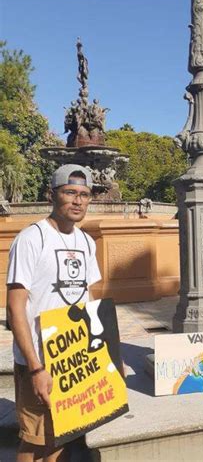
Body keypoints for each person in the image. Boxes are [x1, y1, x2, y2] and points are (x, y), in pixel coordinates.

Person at [7, 164, 101, 461]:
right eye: (70, 192)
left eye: (84, 194)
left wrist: (105, 352)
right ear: (52, 195)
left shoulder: (86, 241)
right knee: (34, 440)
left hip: (72, 359)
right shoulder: (31, 238)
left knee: (60, 436)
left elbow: (90, 300)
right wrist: (35, 368)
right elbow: (15, 307)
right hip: (39, 360)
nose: (78, 201)